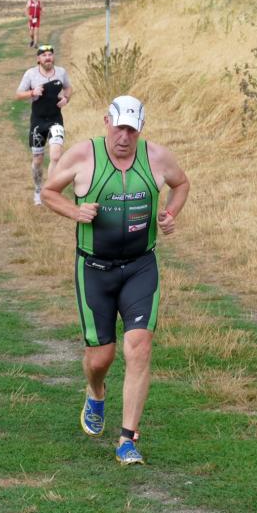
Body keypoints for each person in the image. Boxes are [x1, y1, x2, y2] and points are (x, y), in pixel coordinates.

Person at [41, 95, 190, 465]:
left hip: (141, 266)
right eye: (119, 128)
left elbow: (181, 183)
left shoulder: (157, 157)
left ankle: (127, 440)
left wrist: (170, 214)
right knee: (100, 357)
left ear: (140, 129)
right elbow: (48, 192)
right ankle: (96, 391)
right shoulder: (83, 155)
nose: (124, 137)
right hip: (94, 268)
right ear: (106, 122)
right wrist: (75, 212)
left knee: (139, 346)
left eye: (132, 130)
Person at [15, 44, 72, 205]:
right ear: (38, 59)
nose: (48, 58)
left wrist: (66, 98)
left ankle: (50, 191)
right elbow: (18, 94)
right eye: (44, 55)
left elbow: (68, 88)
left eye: (50, 55)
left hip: (55, 120)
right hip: (38, 122)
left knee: (55, 156)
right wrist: (32, 92)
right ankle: (38, 189)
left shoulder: (61, 72)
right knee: (38, 159)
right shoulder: (31, 74)